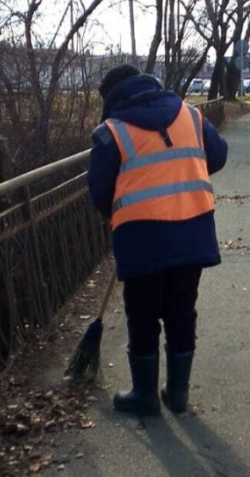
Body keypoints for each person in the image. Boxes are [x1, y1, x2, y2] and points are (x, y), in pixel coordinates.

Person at [88, 64, 228, 416]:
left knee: (143, 314)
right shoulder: (191, 116)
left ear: (113, 96)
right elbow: (219, 155)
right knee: (182, 311)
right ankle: (178, 394)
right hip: (192, 232)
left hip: (141, 238)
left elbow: (98, 192)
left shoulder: (111, 132)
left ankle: (145, 396)